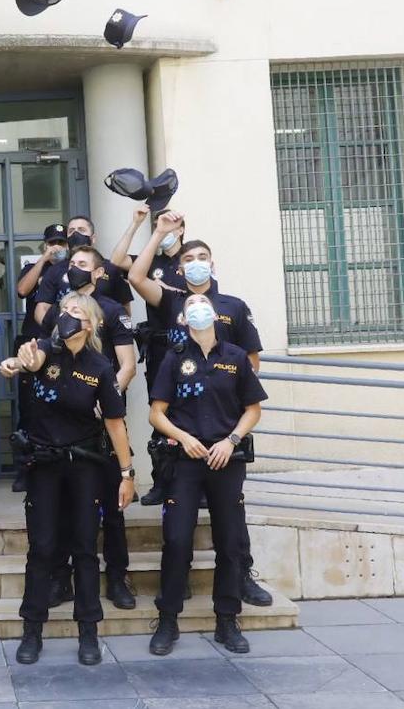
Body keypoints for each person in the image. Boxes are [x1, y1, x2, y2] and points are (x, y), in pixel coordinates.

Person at [127, 211, 272, 607]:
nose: (195, 264)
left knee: (231, 520)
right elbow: (136, 278)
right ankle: (178, 586)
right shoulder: (172, 299)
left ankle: (242, 577)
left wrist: (234, 401)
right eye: (188, 260)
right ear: (178, 268)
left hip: (226, 426)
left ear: (213, 262)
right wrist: (158, 232)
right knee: (178, 522)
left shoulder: (233, 306)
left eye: (202, 257)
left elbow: (252, 361)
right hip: (180, 426)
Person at [0, 293, 135, 665]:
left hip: (85, 466)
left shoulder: (101, 367)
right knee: (41, 548)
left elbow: (114, 422)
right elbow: (25, 359)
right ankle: (32, 629)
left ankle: (88, 630)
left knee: (85, 548)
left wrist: (127, 473)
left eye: (76, 312)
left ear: (91, 324)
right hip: (43, 465)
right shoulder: (45, 349)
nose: (68, 316)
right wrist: (14, 363)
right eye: (65, 311)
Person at [147, 293, 267, 656]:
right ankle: (168, 620)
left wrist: (231, 441)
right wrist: (183, 439)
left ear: (215, 314)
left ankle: (227, 621)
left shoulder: (234, 358)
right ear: (184, 319)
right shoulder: (174, 358)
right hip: (185, 461)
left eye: (204, 304)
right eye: (190, 306)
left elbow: (252, 409)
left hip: (225, 460)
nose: (198, 309)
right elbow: (157, 413)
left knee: (229, 544)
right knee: (178, 541)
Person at [37, 246, 138, 610]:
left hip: (103, 418)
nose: (74, 269)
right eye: (71, 264)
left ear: (98, 272)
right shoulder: (60, 310)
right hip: (66, 427)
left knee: (112, 504)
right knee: (65, 508)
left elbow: (127, 364)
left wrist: (104, 396)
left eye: (82, 264)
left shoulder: (110, 311)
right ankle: (61, 579)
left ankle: (117, 577)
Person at [109, 205, 186, 505]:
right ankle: (161, 482)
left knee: (191, 413)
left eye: (170, 224)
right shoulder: (148, 260)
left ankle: (197, 483)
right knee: (160, 415)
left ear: (181, 228)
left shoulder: (193, 258)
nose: (165, 228)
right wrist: (139, 225)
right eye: (160, 223)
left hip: (189, 347)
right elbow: (116, 262)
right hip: (159, 348)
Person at [10, 223, 70, 493]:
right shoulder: (35, 267)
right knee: (30, 409)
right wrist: (44, 260)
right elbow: (22, 290)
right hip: (33, 345)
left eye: (61, 243)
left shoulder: (74, 270)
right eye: (51, 243)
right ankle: (26, 469)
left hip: (64, 348)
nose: (57, 247)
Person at [32, 216, 132, 328]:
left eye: (81, 230)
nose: (76, 234)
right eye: (71, 231)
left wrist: (121, 333)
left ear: (93, 238)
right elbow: (42, 308)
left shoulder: (111, 268)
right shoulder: (55, 270)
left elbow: (125, 306)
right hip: (68, 337)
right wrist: (57, 331)